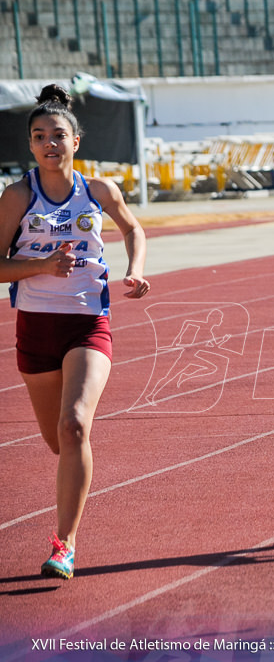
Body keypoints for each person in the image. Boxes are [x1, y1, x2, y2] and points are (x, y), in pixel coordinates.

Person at [0, 84, 150, 580]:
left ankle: (64, 544)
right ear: (30, 145)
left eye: (58, 135)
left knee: (74, 427)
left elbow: (133, 228)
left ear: (76, 141)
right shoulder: (17, 195)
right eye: (39, 136)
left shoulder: (99, 191)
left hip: (89, 323)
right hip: (35, 328)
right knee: (56, 442)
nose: (49, 143)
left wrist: (136, 267)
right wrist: (40, 264)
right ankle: (72, 486)